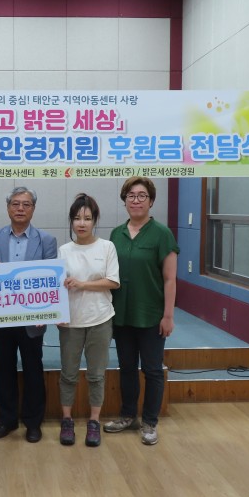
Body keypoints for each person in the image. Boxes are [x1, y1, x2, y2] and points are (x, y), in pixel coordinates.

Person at [104, 177, 179, 446]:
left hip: (151, 315)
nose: (136, 200)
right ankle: (128, 415)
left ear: (151, 201)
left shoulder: (162, 234)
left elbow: (170, 279)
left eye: (142, 196)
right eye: (131, 196)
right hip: (121, 314)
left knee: (153, 370)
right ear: (124, 200)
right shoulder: (116, 234)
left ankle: (149, 422)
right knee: (126, 368)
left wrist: (168, 316)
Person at [0, 186, 57, 443]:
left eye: (26, 204)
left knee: (33, 370)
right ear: (8, 208)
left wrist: (45, 313)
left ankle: (33, 423)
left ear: (33, 209)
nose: (20, 209)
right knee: (4, 369)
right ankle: (7, 419)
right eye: (15, 204)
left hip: (32, 319)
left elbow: (50, 280)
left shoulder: (46, 240)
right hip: (1, 317)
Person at [57, 194, 119, 447]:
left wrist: (82, 284)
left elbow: (113, 281)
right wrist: (57, 313)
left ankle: (94, 422)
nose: (81, 223)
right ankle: (67, 420)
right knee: (68, 374)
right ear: (71, 221)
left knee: (96, 375)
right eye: (76, 218)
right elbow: (56, 287)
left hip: (100, 319)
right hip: (70, 322)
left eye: (87, 218)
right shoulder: (64, 250)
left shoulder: (107, 247)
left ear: (95, 221)